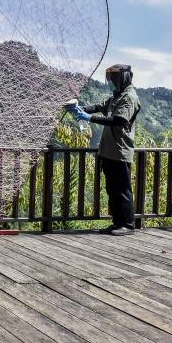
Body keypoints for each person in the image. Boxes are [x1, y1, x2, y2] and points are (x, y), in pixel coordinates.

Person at [71, 64, 141, 235]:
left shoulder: (129, 97)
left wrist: (89, 118)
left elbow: (118, 120)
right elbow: (98, 107)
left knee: (122, 190)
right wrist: (80, 109)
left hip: (119, 150)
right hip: (109, 150)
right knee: (113, 190)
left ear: (123, 78)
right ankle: (117, 223)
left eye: (113, 78)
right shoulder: (116, 96)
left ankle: (128, 225)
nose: (110, 81)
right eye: (109, 78)